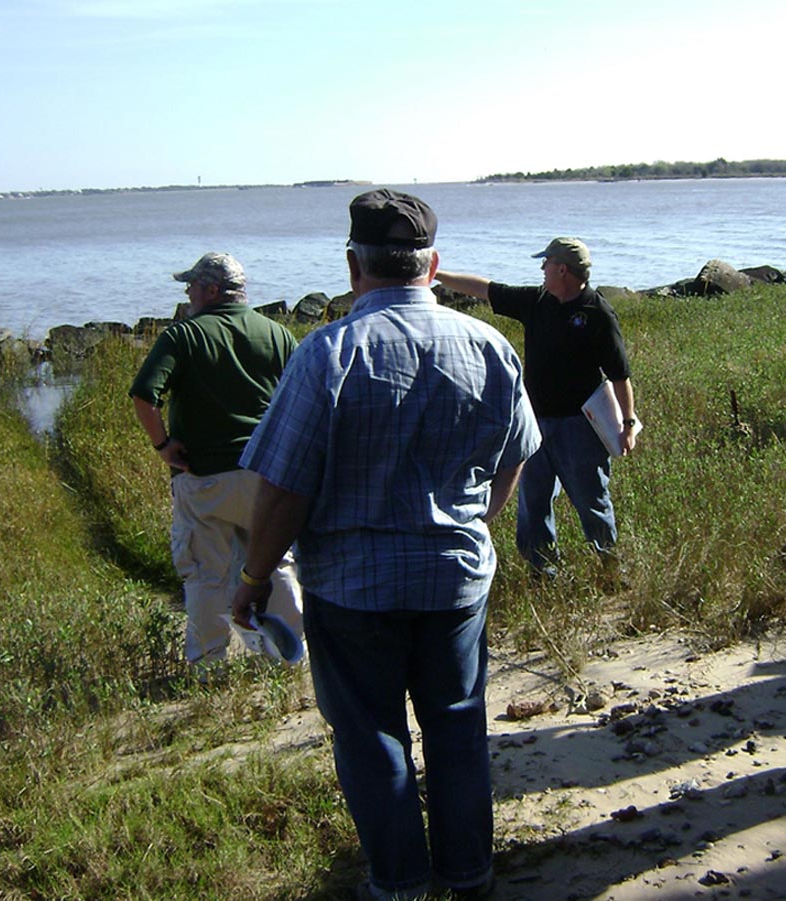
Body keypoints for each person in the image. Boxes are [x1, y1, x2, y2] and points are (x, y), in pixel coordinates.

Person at [231, 190, 540, 900]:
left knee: (371, 735)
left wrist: (252, 577)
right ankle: (468, 872)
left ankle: (400, 882)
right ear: (432, 265)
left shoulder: (327, 353)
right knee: (458, 724)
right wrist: (482, 517)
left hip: (351, 587)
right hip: (455, 578)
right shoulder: (488, 344)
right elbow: (519, 450)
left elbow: (282, 489)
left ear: (352, 266)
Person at [129, 252, 302, 675]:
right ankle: (289, 660)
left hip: (205, 476)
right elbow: (304, 399)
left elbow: (144, 396)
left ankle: (210, 666)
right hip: (267, 476)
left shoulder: (183, 336)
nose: (187, 294)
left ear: (210, 290)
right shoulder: (276, 334)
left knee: (207, 573)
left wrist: (164, 445)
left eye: (191, 286)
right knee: (277, 564)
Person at [434, 239, 636, 576]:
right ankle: (542, 573)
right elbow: (485, 289)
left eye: (546, 264)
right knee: (533, 503)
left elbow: (620, 376)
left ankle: (612, 570)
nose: (541, 269)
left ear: (562, 269)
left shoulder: (596, 313)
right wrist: (437, 274)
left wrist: (627, 425)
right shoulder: (537, 302)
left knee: (592, 502)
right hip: (535, 425)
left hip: (579, 428)